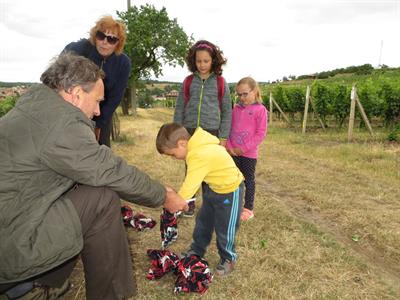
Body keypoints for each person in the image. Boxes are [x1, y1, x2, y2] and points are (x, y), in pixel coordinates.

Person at [0, 53, 188, 300]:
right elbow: (109, 170)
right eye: (97, 100)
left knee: (80, 194)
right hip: (11, 243)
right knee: (101, 199)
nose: (98, 110)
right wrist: (163, 195)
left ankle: (34, 285)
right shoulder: (61, 124)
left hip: (13, 221)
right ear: (76, 94)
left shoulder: (37, 107)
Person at [156, 123, 244, 276]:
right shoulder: (197, 147)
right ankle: (197, 249)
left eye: (172, 154)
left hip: (230, 191)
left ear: (182, 143)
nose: (173, 158)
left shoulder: (199, 154)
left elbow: (190, 186)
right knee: (203, 221)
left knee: (225, 227)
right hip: (213, 188)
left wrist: (177, 202)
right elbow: (193, 181)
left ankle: (228, 258)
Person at [173, 40, 232, 216]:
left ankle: (210, 207)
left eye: (206, 61)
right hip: (189, 133)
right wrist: (177, 131)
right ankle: (188, 206)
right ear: (193, 61)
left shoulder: (221, 83)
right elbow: (180, 107)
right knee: (191, 170)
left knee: (210, 171)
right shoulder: (188, 81)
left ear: (213, 60)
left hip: (211, 134)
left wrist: (223, 137)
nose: (202, 65)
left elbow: (227, 112)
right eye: (199, 61)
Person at [63, 15, 131, 147]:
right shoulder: (77, 50)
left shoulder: (123, 63)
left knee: (100, 149)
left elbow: (115, 98)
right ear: (95, 36)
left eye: (111, 39)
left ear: (118, 43)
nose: (104, 42)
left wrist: (98, 124)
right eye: (101, 36)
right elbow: (58, 78)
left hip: (101, 113)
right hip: (71, 109)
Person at [226, 77, 268, 221]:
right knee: (232, 179)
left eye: (245, 94)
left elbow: (260, 134)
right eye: (239, 94)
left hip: (249, 154)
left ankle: (248, 208)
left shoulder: (260, 110)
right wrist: (230, 147)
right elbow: (228, 128)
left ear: (255, 92)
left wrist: (243, 149)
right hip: (232, 152)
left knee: (248, 180)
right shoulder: (235, 109)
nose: (242, 98)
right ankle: (231, 204)